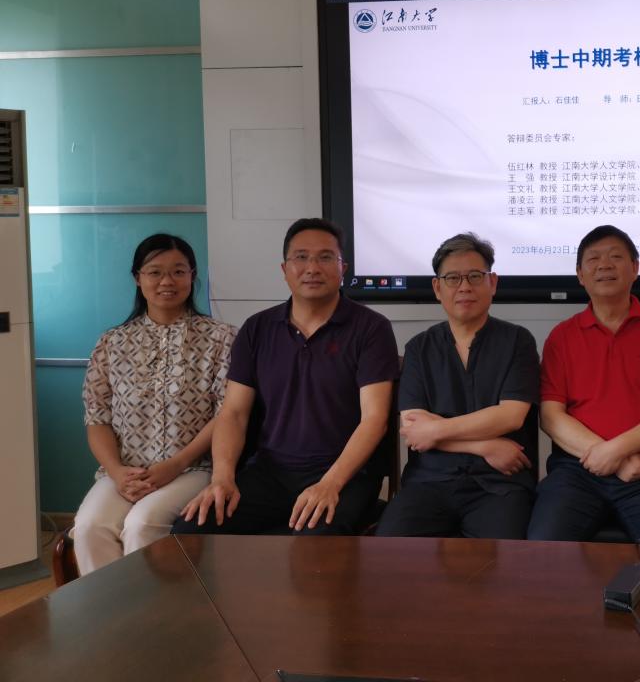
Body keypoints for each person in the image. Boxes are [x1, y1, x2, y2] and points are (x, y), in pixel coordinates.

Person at [178, 218, 398, 535]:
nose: (312, 268)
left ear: (343, 268)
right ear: (284, 269)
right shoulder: (257, 329)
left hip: (344, 475)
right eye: (301, 257)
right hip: (270, 472)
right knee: (190, 532)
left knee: (311, 548)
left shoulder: (371, 328)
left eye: (325, 257)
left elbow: (374, 420)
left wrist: (330, 484)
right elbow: (234, 413)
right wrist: (222, 479)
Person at [74, 234, 236, 574]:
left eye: (178, 271)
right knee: (89, 527)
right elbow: (97, 418)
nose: (167, 281)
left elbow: (226, 414)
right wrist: (116, 472)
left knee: (142, 524)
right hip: (126, 471)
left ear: (192, 275)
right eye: (155, 272)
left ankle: (149, 610)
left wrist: (176, 464)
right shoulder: (112, 342)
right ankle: (106, 609)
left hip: (192, 469)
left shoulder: (221, 338)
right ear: (138, 278)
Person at [526, 225, 640, 546]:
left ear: (635, 268)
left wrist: (617, 452)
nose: (604, 265)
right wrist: (616, 461)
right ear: (580, 275)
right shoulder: (562, 337)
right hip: (576, 473)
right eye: (593, 259)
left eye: (616, 257)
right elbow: (551, 416)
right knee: (544, 549)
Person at [375, 233, 539, 539]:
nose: (464, 287)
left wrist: (435, 430)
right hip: (429, 482)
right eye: (452, 278)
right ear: (438, 288)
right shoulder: (419, 348)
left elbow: (510, 417)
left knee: (504, 560)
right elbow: (414, 429)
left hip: (499, 483)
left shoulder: (518, 341)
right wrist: (485, 445)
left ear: (492, 283)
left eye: (475, 276)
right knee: (390, 551)